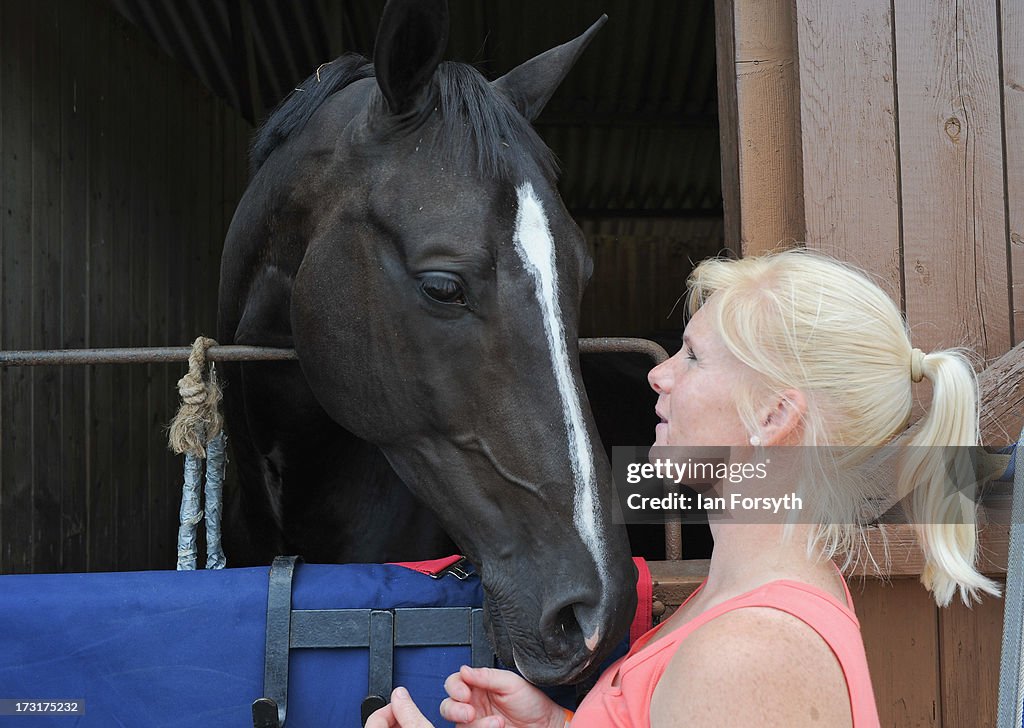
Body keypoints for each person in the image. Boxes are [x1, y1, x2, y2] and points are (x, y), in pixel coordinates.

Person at [366, 248, 1001, 728]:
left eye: (693, 357)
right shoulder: (737, 605)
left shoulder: (748, 656)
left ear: (773, 417)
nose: (659, 376)